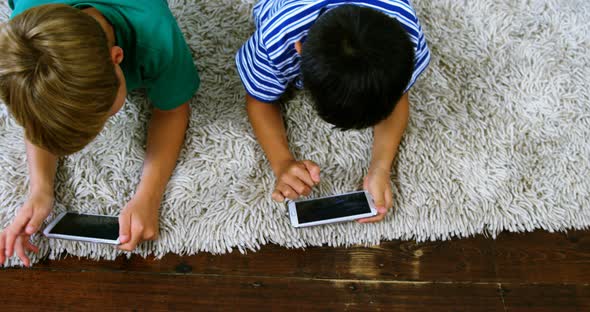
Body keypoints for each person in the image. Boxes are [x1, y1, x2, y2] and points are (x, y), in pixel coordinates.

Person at [0, 0, 200, 266]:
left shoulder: (156, 34)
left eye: (104, 114)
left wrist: (148, 196)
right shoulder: (21, 42)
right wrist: (39, 189)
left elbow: (173, 110)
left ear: (118, 57)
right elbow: (40, 117)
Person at [235, 0, 430, 223]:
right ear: (299, 49)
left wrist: (381, 167)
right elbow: (259, 99)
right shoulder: (277, 35)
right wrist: (282, 162)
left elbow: (398, 93)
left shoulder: (407, 28)